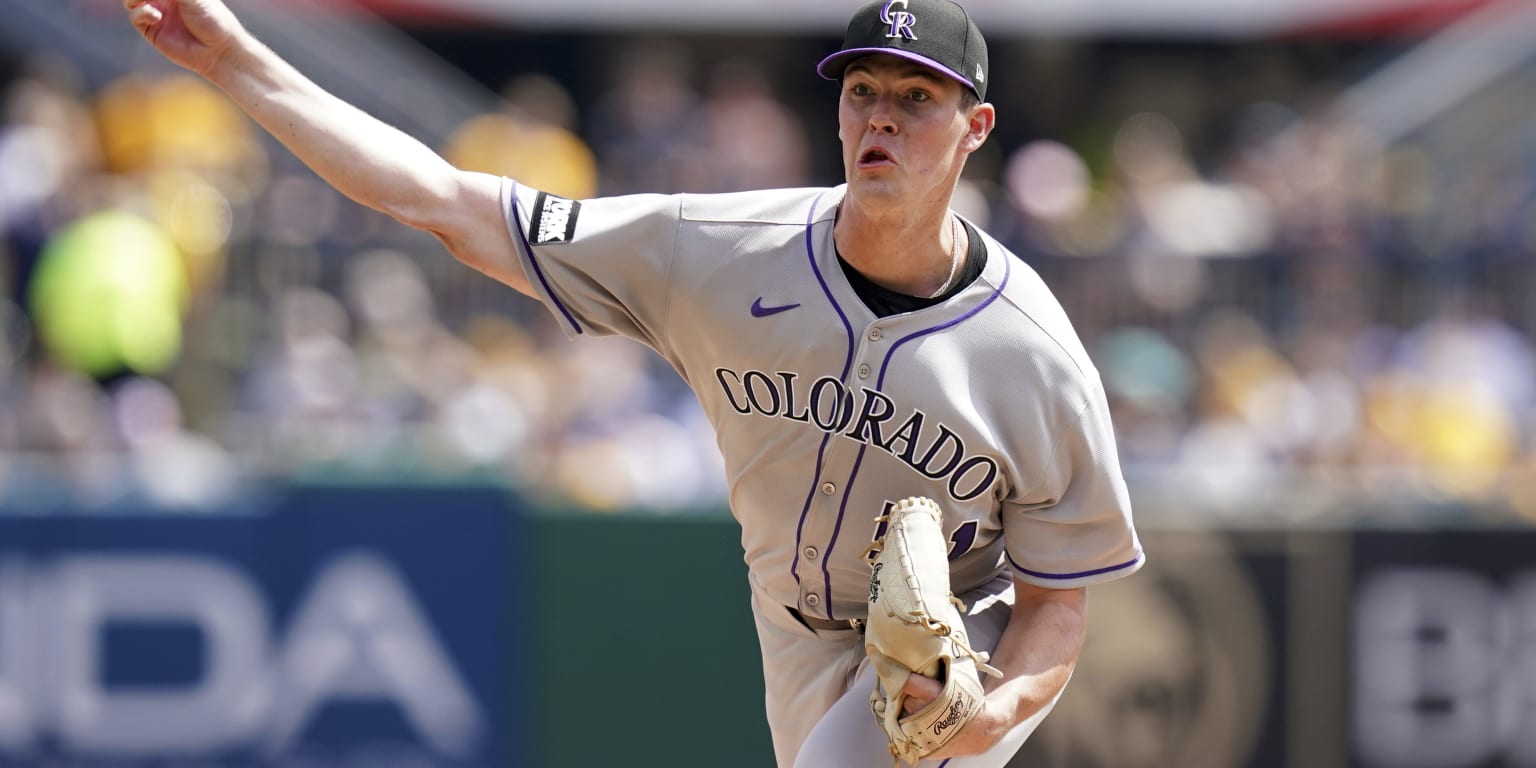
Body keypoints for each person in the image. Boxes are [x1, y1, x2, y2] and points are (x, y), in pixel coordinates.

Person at [124, 0, 1146, 765]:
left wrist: (993, 709)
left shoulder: (1032, 353)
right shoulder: (714, 251)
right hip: (790, 629)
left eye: (917, 98)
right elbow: (445, 203)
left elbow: (1061, 602)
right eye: (863, 91)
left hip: (956, 632)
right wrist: (235, 60)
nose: (882, 117)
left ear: (975, 129)